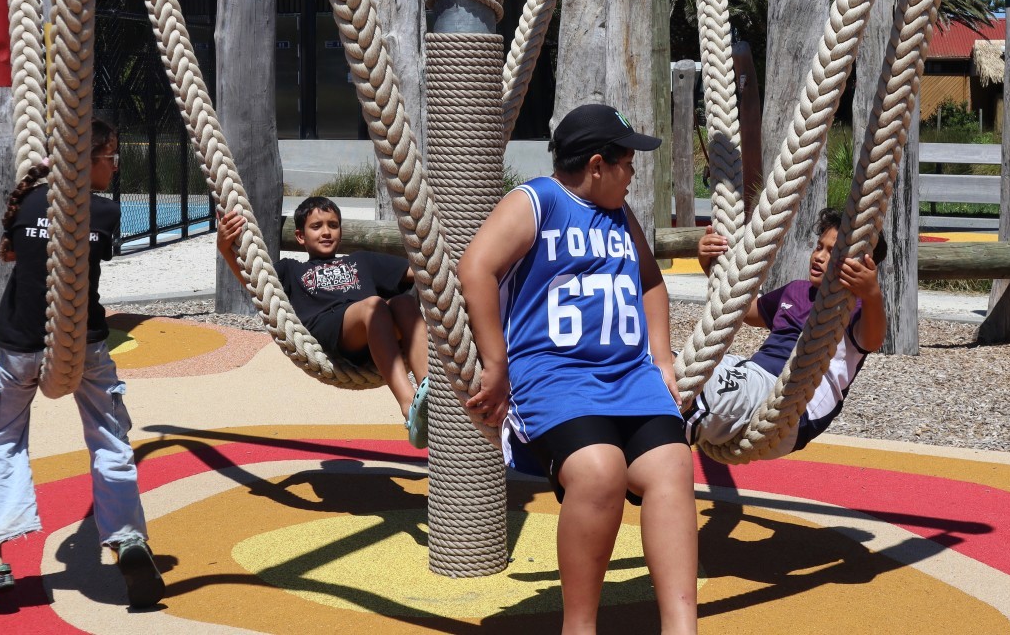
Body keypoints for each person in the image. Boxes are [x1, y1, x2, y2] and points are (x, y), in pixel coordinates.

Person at [460, 103, 697, 635]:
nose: (634, 172)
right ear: (597, 165)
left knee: (673, 468)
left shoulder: (621, 217)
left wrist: (662, 357)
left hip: (631, 378)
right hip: (555, 376)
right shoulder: (536, 202)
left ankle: (682, 629)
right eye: (627, 162)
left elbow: (652, 282)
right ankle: (579, 628)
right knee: (599, 471)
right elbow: (475, 266)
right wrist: (495, 364)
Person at [0, 119, 165, 609]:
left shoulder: (26, 201)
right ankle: (127, 537)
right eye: (111, 156)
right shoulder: (106, 212)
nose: (115, 165)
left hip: (21, 346)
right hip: (83, 344)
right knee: (110, 438)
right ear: (88, 160)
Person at [216, 195, 432, 447]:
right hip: (335, 332)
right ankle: (409, 406)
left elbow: (420, 272)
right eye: (316, 226)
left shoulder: (361, 261)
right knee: (373, 306)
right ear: (300, 236)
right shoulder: (290, 270)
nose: (326, 232)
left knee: (405, 303)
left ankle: (431, 395)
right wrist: (225, 247)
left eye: (333, 225)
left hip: (379, 334)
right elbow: (254, 282)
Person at [684, 208, 886, 457]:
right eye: (818, 247)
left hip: (793, 406)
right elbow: (745, 309)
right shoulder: (797, 291)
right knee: (671, 367)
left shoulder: (854, 309)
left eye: (832, 252)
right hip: (753, 376)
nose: (819, 257)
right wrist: (711, 267)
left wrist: (871, 294)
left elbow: (873, 339)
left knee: (688, 396)